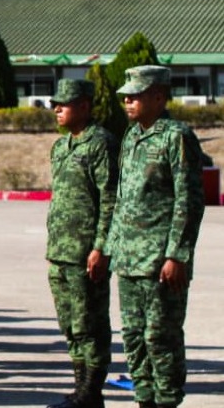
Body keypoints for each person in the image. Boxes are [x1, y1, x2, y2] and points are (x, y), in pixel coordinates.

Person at [106, 65, 204, 408]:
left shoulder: (176, 136)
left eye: (135, 96)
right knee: (133, 337)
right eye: (126, 97)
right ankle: (144, 399)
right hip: (129, 259)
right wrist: (110, 248)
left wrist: (177, 254)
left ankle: (166, 402)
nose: (128, 102)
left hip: (160, 260)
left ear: (159, 97)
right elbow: (123, 198)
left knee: (160, 337)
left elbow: (189, 200)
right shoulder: (131, 136)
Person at [45, 79, 118, 408]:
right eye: (55, 104)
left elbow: (110, 200)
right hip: (61, 251)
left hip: (86, 251)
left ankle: (92, 391)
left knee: (90, 323)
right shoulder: (61, 146)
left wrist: (101, 247)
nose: (57, 109)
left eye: (65, 103)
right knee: (70, 324)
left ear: (85, 106)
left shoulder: (101, 143)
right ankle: (81, 390)